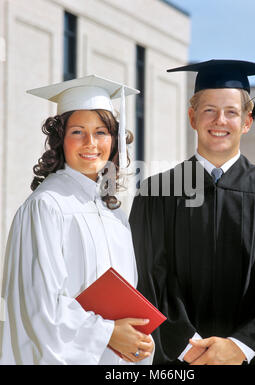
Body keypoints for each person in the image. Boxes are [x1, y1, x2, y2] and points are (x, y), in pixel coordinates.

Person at [129, 60, 255, 365]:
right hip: (177, 362)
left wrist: (240, 347)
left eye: (232, 112)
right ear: (192, 117)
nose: (219, 120)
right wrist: (185, 345)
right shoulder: (156, 193)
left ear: (247, 121)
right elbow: (146, 279)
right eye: (209, 110)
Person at [0, 75, 154, 365]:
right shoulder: (46, 206)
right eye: (77, 132)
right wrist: (107, 333)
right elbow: (39, 309)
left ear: (114, 139)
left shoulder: (116, 216)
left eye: (101, 132)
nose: (91, 143)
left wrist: (138, 340)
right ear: (61, 139)